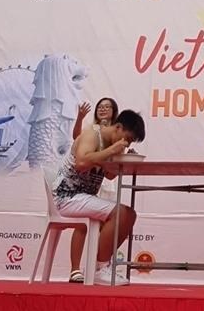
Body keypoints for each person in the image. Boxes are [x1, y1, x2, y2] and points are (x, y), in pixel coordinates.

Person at [52, 109, 146, 285]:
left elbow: (109, 176)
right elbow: (81, 163)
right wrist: (111, 150)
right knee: (122, 213)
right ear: (118, 127)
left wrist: (123, 160)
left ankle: (100, 266)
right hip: (66, 196)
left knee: (129, 215)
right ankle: (99, 268)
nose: (125, 144)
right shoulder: (93, 135)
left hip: (83, 197)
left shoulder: (112, 144)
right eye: (127, 138)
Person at [67, 97, 120, 283]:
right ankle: (75, 270)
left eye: (108, 107)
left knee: (112, 222)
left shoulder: (115, 138)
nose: (103, 109)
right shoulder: (91, 132)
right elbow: (77, 140)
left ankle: (100, 267)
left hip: (98, 186)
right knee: (83, 223)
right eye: (101, 107)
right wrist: (80, 117)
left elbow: (111, 175)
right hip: (75, 190)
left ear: (114, 112)